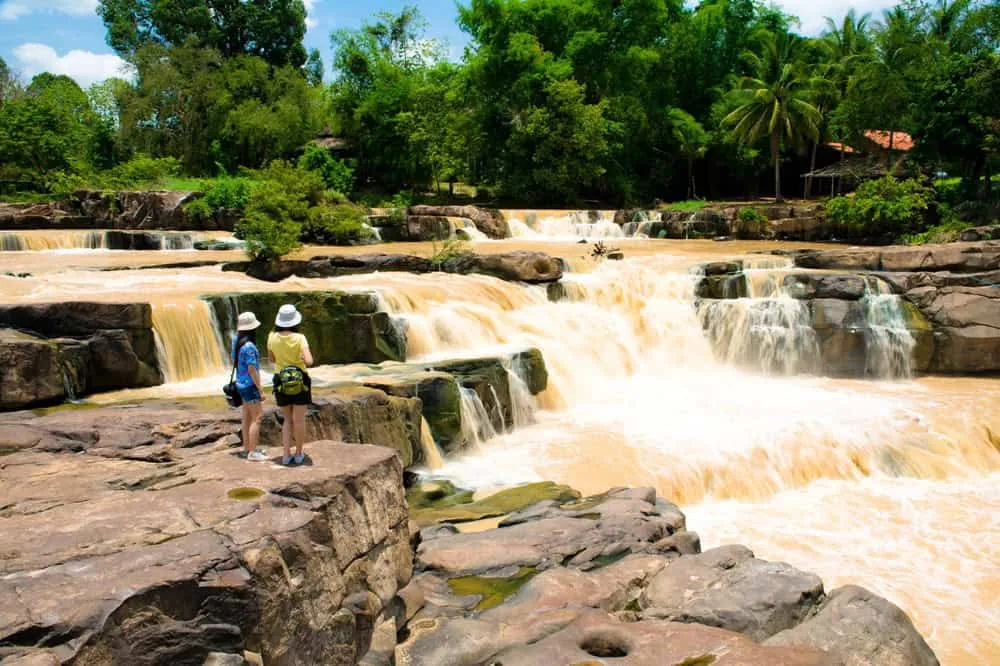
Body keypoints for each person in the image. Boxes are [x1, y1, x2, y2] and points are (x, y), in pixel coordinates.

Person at [268, 304, 313, 465]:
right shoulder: (300, 338)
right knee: (299, 420)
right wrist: (301, 357)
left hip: (281, 380)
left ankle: (286, 455)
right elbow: (309, 361)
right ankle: (299, 453)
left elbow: (272, 360)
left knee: (287, 419)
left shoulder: (271, 337)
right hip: (300, 380)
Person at [233, 312, 268, 461]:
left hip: (240, 383)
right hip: (249, 385)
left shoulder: (236, 342)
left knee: (247, 416)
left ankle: (247, 448)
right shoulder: (250, 347)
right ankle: (253, 452)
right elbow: (252, 370)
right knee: (257, 417)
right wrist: (260, 389)